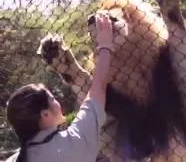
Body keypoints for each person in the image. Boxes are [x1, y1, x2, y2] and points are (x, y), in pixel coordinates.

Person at [5, 14, 114, 162]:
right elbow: (97, 91)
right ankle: (73, 72)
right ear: (44, 115)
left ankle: (72, 73)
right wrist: (106, 45)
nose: (58, 102)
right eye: (53, 99)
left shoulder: (16, 158)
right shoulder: (73, 143)